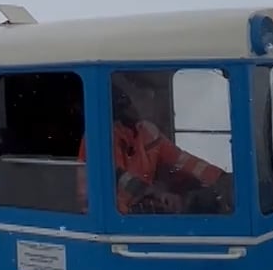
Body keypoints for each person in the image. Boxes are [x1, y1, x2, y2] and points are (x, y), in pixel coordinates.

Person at [79, 83, 233, 214]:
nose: (151, 101)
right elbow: (114, 176)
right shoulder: (99, 137)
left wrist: (220, 179)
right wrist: (153, 194)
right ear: (122, 105)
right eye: (144, 96)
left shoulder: (146, 132)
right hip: (114, 218)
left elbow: (181, 160)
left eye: (151, 95)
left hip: (140, 211)